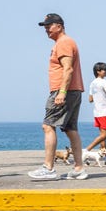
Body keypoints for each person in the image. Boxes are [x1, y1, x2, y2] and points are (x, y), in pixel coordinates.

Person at [29, 13, 88, 181]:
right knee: (70, 129)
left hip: (64, 91)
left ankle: (48, 168)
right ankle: (78, 168)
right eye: (45, 26)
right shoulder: (64, 42)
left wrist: (61, 92)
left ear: (59, 26)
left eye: (49, 25)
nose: (46, 29)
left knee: (48, 126)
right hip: (73, 90)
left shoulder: (63, 43)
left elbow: (68, 69)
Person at [85, 61, 106, 156]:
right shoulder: (104, 82)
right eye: (104, 70)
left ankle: (105, 155)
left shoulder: (92, 83)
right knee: (104, 135)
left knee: (102, 135)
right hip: (103, 111)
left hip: (96, 112)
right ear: (98, 71)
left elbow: (90, 99)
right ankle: (86, 150)